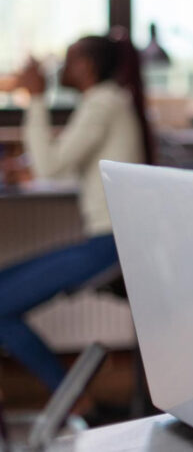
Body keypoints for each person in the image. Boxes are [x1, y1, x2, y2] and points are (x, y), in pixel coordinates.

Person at [0, 32, 151, 391]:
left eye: (68, 60)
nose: (60, 69)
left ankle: (72, 397)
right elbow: (64, 161)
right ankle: (72, 395)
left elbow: (50, 165)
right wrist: (25, 165)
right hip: (105, 238)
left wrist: (35, 98)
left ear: (87, 66)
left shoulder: (104, 103)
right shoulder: (103, 102)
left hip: (113, 244)